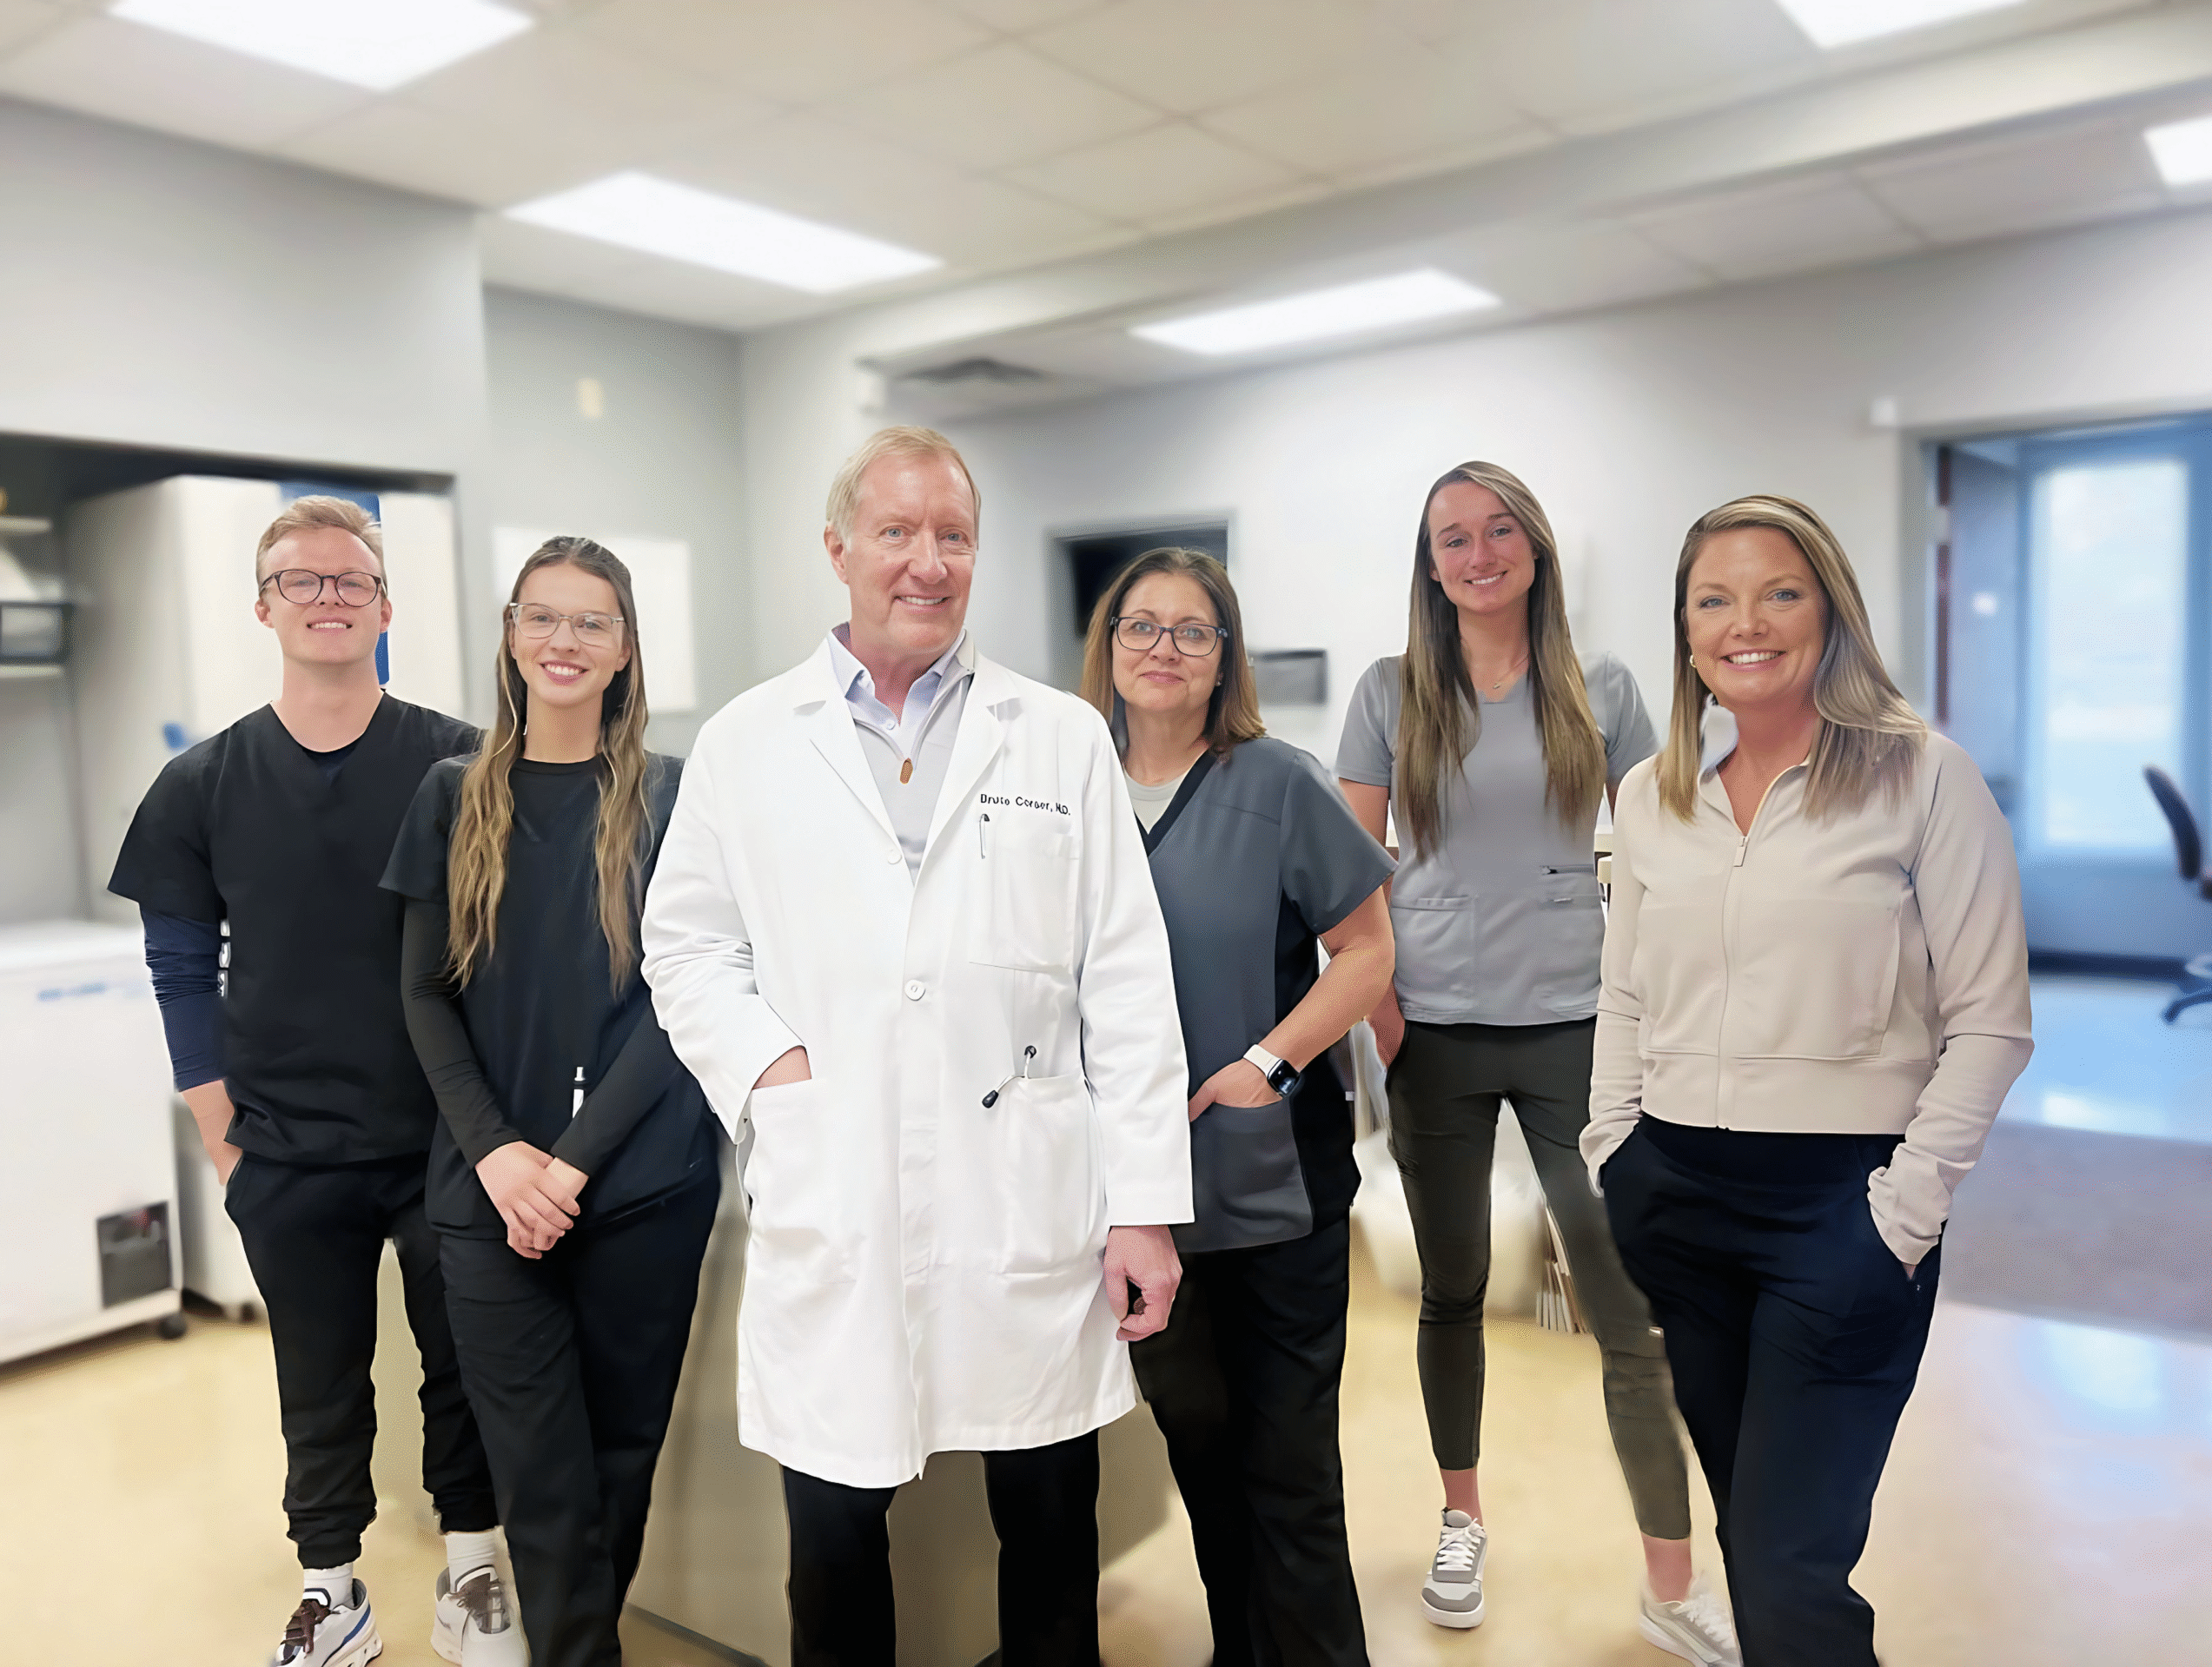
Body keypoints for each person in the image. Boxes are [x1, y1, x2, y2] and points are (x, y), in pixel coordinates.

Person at [639, 426, 1192, 1667]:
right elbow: (682, 944)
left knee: (1050, 1521)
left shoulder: (1057, 734)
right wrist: (770, 1072)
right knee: (833, 1534)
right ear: (837, 548)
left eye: (952, 536)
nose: (927, 564)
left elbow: (1127, 974)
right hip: (837, 1178)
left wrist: (1144, 1205)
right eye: (897, 532)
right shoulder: (746, 740)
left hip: (1028, 1196)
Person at [1582, 495, 2031, 1664]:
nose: (1747, 623)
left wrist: (1901, 1214)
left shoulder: (1925, 777)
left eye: (1779, 591)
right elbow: (1624, 993)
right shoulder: (1652, 794)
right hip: (1674, 1194)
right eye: (1713, 599)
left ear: (1830, 609)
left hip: (1844, 1213)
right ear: (1685, 632)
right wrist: (1613, 1151)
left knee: (1788, 1569)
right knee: (1753, 1528)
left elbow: (1991, 1022)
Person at [110, 496, 525, 1667]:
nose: (330, 595)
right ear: (264, 605)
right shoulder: (203, 782)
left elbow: (504, 946)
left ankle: (472, 1566)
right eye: (303, 579)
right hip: (287, 1142)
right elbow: (181, 963)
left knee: (465, 1362)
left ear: (387, 606)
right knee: (319, 1375)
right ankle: (330, 1588)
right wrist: (219, 1129)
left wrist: (499, 1124)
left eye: (353, 579)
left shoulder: (458, 761)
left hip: (444, 1131)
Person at [1338, 461, 1737, 1662]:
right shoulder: (1390, 690)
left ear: (1534, 545)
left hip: (1578, 1031)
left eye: (1497, 528)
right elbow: (1350, 877)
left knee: (1624, 1306)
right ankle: (1462, 1521)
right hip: (1436, 1037)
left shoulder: (1597, 686)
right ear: (1431, 565)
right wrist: (1390, 1015)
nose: (1476, 552)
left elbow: (1668, 848)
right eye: (1451, 538)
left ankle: (1671, 1577)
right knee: (1453, 1289)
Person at [381, 537, 720, 1667]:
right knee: (541, 1475)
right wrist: (502, 1157)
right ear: (512, 635)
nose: (565, 642)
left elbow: (686, 1000)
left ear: (627, 650)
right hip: (489, 1200)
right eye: (544, 617)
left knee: (623, 1458)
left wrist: (569, 1163)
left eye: (592, 622)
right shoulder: (449, 795)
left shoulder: (675, 797)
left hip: (640, 1187)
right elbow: (425, 996)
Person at [1081, 547, 1395, 1667]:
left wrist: (1270, 1059)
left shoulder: (1279, 781)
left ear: (1225, 657)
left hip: (1272, 1188)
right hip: (1132, 1196)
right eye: (1141, 627)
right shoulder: (1067, 789)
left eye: (1192, 631)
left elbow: (1365, 953)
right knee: (1203, 1460)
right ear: (1108, 646)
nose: (1162, 649)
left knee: (1290, 1475)